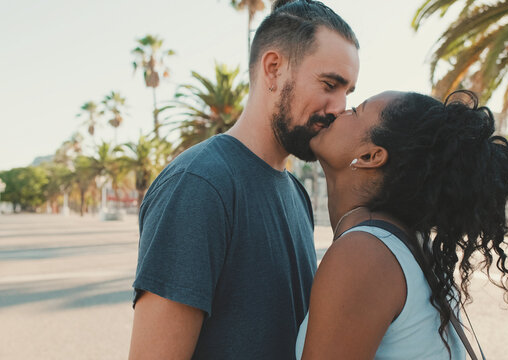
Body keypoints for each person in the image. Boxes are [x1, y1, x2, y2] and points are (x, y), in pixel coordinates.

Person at [128, 1, 359, 359]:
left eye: (348, 92)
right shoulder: (200, 184)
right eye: (330, 84)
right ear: (273, 69)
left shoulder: (295, 192)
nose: (339, 107)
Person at [296, 90, 508, 359]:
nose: (339, 110)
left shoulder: (363, 254)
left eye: (355, 111)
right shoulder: (401, 243)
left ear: (370, 156)